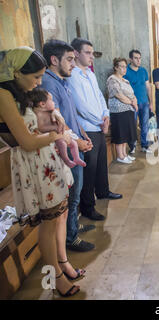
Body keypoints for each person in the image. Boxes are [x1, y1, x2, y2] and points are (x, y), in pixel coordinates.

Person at [0, 47, 81, 297]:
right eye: (35, 77)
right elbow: (26, 141)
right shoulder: (3, 95)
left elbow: (40, 119)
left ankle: (62, 262)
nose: (38, 82)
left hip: (44, 160)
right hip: (32, 163)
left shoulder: (23, 91)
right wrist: (59, 134)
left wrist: (55, 117)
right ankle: (54, 277)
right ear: (15, 72)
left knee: (59, 216)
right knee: (48, 223)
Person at [41, 39, 95, 253]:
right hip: (63, 150)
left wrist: (82, 134)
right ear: (54, 60)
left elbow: (70, 114)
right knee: (71, 196)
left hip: (74, 141)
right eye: (69, 59)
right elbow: (53, 124)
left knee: (76, 193)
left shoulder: (62, 80)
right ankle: (71, 237)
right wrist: (77, 141)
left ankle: (73, 226)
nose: (73, 64)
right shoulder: (49, 84)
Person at [68, 38, 122, 222]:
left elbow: (99, 95)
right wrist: (100, 121)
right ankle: (88, 207)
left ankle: (103, 191)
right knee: (89, 169)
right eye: (88, 53)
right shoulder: (73, 75)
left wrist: (106, 115)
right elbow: (80, 105)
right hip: (87, 128)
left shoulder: (89, 73)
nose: (92, 56)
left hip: (100, 124)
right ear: (76, 53)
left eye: (92, 53)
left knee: (100, 164)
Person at [30, 89, 86, 168]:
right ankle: (66, 159)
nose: (54, 102)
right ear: (42, 104)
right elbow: (41, 128)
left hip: (60, 134)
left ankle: (76, 158)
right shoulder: (39, 114)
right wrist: (55, 128)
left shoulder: (51, 112)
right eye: (51, 100)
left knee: (73, 143)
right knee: (62, 144)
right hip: (54, 136)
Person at [106, 58, 138, 164]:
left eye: (125, 66)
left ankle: (124, 154)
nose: (124, 69)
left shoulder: (126, 80)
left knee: (125, 134)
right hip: (118, 112)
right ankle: (120, 156)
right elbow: (119, 95)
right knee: (120, 134)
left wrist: (135, 101)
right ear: (116, 67)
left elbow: (132, 94)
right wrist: (132, 102)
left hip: (128, 110)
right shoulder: (112, 79)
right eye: (122, 66)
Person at [124, 49, 153, 153]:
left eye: (139, 58)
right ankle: (132, 146)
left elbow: (148, 87)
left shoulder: (143, 70)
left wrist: (151, 102)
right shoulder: (126, 71)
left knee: (144, 124)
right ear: (130, 59)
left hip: (144, 102)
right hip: (132, 103)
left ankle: (144, 145)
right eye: (136, 58)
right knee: (132, 125)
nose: (138, 60)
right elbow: (123, 87)